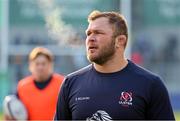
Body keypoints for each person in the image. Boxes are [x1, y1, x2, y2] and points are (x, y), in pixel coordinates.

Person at [54, 11, 175, 120]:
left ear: (120, 41)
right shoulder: (71, 83)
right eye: (88, 33)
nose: (90, 38)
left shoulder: (150, 84)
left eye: (98, 33)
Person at [15, 47, 64, 120]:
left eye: (43, 64)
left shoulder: (63, 83)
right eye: (37, 64)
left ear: (50, 65)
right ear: (30, 66)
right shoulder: (22, 86)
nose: (40, 67)